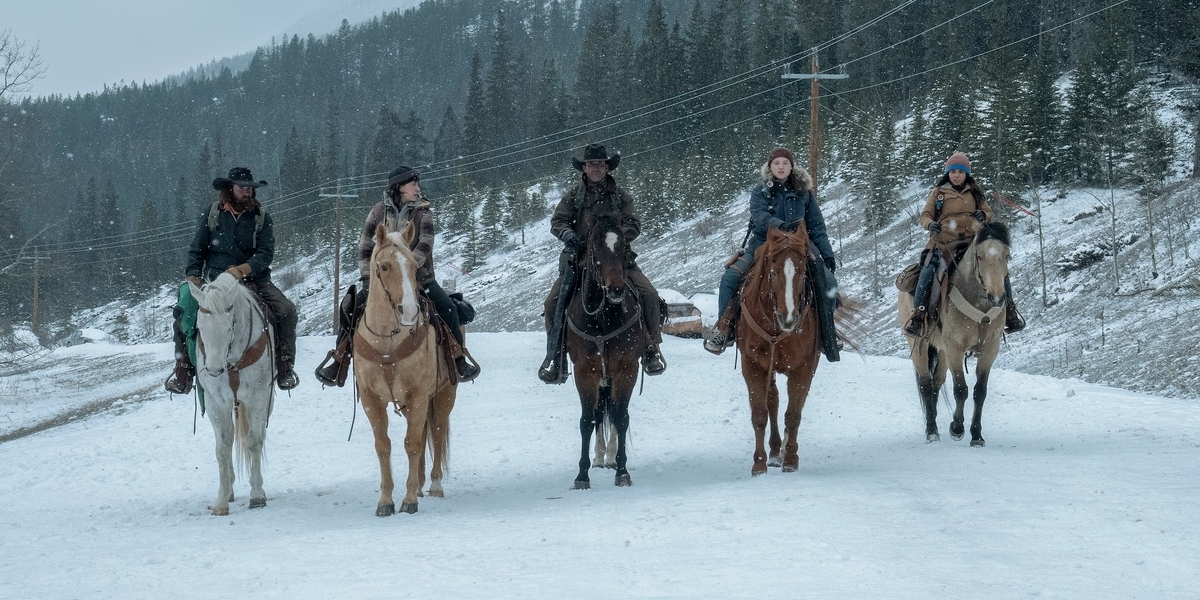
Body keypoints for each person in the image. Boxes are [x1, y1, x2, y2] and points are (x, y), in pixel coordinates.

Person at [314, 166, 480, 386]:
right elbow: (365, 246)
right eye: (413, 185)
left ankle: (458, 357)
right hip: (382, 281)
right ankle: (340, 357)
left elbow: (425, 244)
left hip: (421, 278)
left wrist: (407, 268)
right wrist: (368, 277)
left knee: (447, 309)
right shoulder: (377, 212)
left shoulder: (423, 212)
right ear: (399, 187)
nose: (418, 189)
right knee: (350, 308)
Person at [537, 143, 666, 383]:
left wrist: (611, 240)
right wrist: (567, 234)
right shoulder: (573, 196)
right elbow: (558, 222)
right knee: (552, 302)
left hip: (618, 260)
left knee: (649, 294)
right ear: (584, 168)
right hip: (579, 260)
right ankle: (555, 355)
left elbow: (634, 224)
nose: (596, 168)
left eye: (600, 163)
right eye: (591, 164)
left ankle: (651, 348)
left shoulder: (620, 196)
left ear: (607, 167)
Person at [165, 167, 300, 394]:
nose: (247, 192)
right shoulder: (212, 214)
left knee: (286, 311)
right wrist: (194, 276)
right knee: (183, 312)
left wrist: (242, 270)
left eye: (250, 188)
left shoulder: (262, 218)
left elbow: (265, 254)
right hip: (214, 282)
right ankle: (184, 369)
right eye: (242, 188)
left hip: (254, 280)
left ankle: (284, 365)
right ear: (230, 189)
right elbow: (197, 249)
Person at [705, 147, 839, 356]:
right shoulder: (760, 192)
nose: (781, 167)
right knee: (730, 278)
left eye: (785, 163)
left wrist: (827, 252)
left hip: (800, 246)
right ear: (770, 167)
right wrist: (780, 226)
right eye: (776, 163)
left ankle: (827, 333)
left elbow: (816, 226)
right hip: (763, 244)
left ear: (792, 166)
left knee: (829, 283)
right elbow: (759, 217)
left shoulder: (804, 193)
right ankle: (725, 329)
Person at [903, 151, 1025, 338]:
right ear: (948, 173)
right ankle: (918, 315)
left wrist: (983, 215)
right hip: (943, 243)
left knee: (998, 265)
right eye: (953, 172)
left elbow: (988, 212)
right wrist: (930, 224)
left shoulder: (975, 192)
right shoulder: (939, 193)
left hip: (971, 244)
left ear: (966, 174)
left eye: (960, 172)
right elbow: (925, 215)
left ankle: (1009, 310)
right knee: (928, 270)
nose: (956, 175)